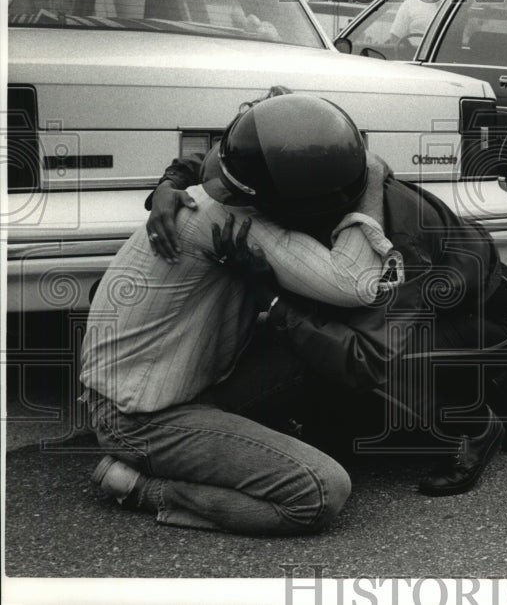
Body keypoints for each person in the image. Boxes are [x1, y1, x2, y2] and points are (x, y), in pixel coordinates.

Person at [146, 91, 507, 497]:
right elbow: (233, 165)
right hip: (437, 309)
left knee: (359, 366)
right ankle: (488, 385)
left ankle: (473, 421)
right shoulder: (321, 170)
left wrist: (270, 300)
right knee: (335, 431)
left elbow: (365, 360)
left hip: (485, 320)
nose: (237, 207)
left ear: (300, 201)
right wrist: (167, 187)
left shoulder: (397, 247)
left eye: (248, 203)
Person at [80, 92, 401, 533]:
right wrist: (371, 177)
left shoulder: (235, 168)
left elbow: (241, 134)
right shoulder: (224, 218)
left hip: (174, 388)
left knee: (304, 344)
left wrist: (168, 182)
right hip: (141, 418)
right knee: (320, 491)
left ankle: (242, 449)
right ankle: (138, 484)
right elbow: (357, 283)